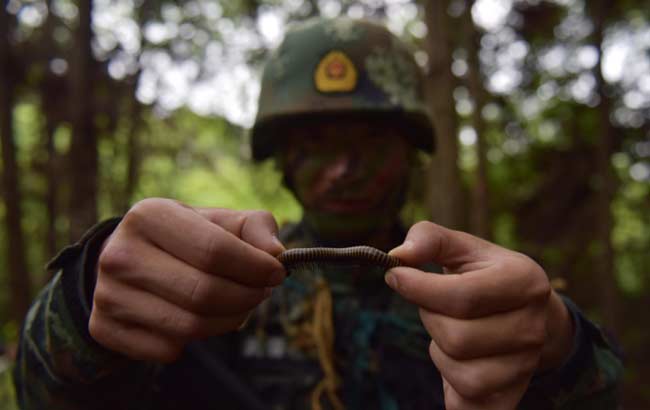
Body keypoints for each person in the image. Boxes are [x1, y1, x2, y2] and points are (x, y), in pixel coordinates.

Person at [13, 17, 622, 410]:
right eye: (315, 147)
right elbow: (44, 394)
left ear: (409, 154)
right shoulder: (223, 292)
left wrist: (557, 345)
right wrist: (86, 292)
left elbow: (605, 393)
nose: (342, 170)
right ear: (281, 162)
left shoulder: (474, 298)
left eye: (369, 145)